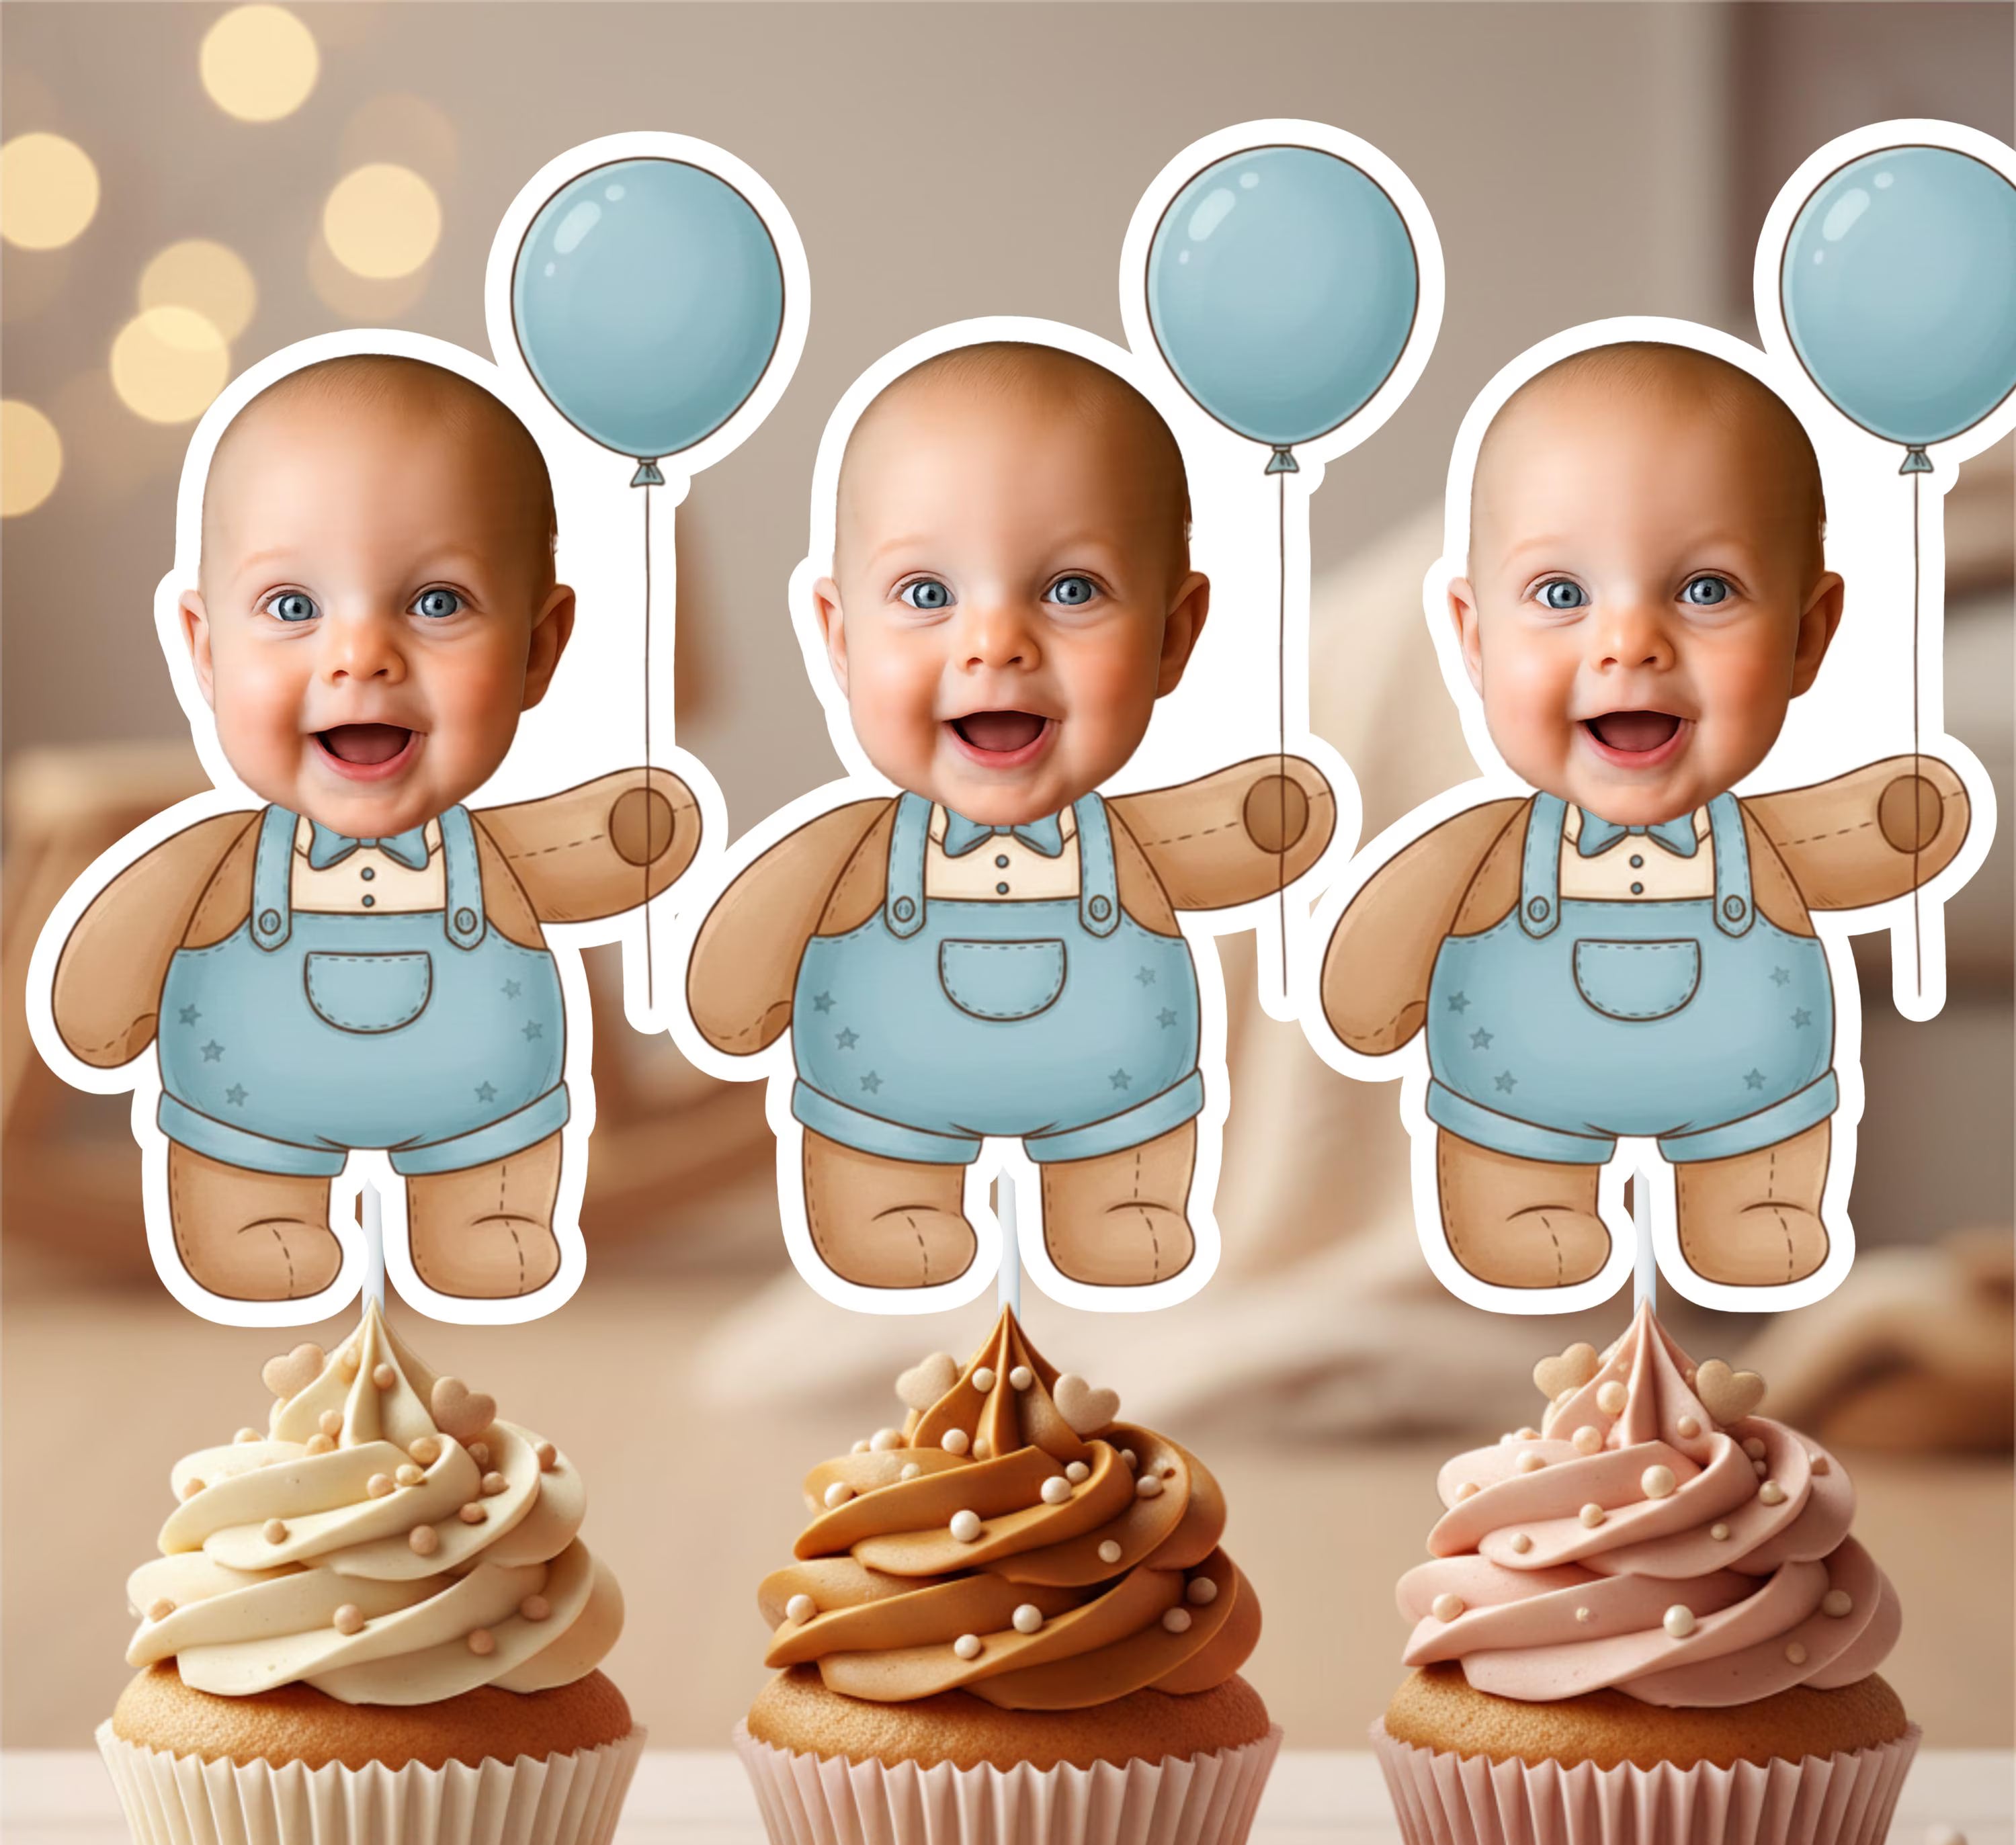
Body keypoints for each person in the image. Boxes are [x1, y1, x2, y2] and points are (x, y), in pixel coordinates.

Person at [1320, 341, 1969, 1290]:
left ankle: (1751, 1203)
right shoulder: (1484, 851)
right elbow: (1382, 954)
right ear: (1474, 639)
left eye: (1706, 590)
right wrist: (1369, 997)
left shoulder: (1768, 845)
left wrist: (1903, 821)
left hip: (1747, 1104)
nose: (1629, 644)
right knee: (1515, 1177)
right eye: (1562, 595)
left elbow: (1864, 838)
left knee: (1760, 1171)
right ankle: (1524, 1204)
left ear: (1806, 635)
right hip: (1522, 1104)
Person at [50, 354, 701, 1301]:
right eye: (293, 608)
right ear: (206, 651)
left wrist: (633, 831)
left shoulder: (498, 857)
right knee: (243, 1174)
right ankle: (254, 1214)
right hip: (253, 1114)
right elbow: (114, 966)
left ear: (537, 649)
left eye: (437, 603)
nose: (360, 657)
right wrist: (99, 1009)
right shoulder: (215, 864)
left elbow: (595, 852)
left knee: (491, 1171)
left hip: (479, 1117)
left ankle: (483, 1213)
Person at [687, 341, 1335, 1289]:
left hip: (1115, 1105)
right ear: (840, 637)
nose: (995, 644)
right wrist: (733, 998)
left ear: (1173, 635)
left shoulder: (1136, 845)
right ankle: (889, 1203)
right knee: (881, 1186)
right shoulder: (849, 853)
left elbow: (1239, 837)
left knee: (1125, 1192)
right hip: (886, 1103)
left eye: (1072, 590)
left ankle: (1116, 1202)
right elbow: (746, 956)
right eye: (927, 595)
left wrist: (1268, 819)